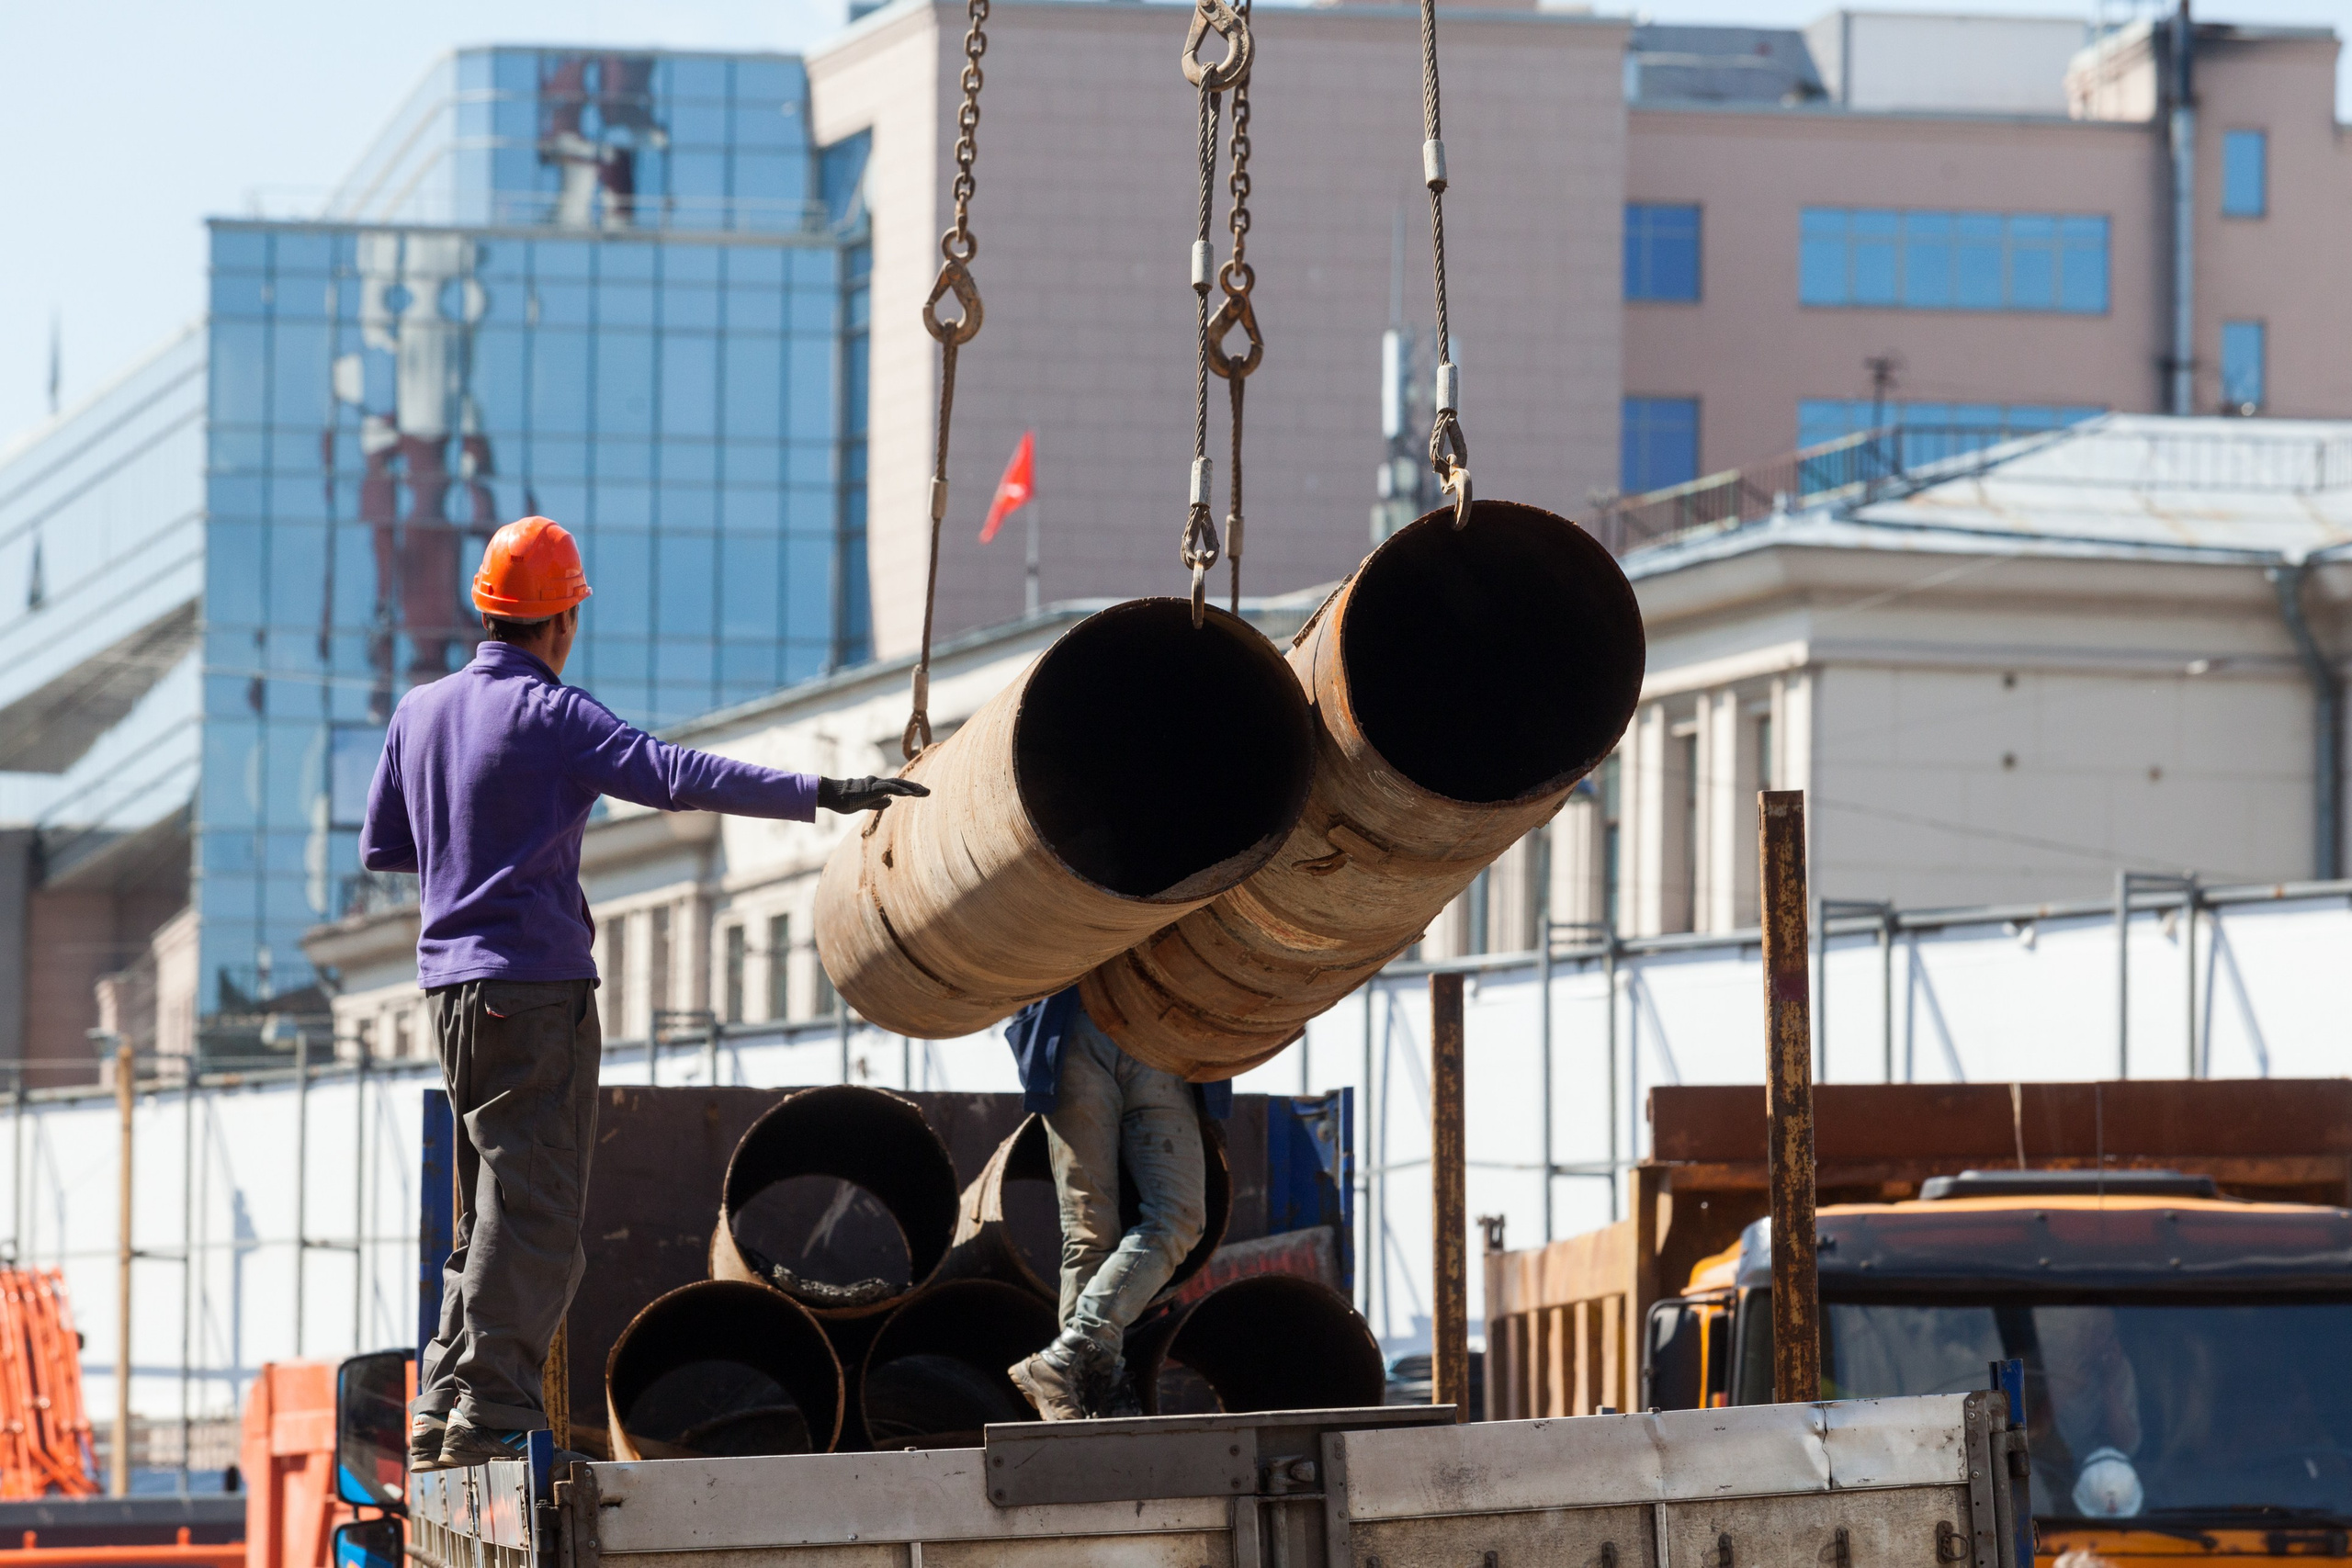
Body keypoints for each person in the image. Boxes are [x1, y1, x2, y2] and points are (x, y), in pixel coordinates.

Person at [360, 516, 924, 1472]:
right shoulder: (554, 716)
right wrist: (823, 792)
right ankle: (485, 1414)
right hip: (534, 991)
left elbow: (387, 845)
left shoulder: (421, 711)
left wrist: (477, 834)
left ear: (486, 611)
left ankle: (441, 1401)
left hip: (451, 996)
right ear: (563, 619)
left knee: (488, 1213)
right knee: (534, 1215)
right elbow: (675, 776)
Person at [1001, 987, 1227, 1419]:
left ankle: (1066, 1356)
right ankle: (1093, 1390)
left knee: (1178, 1218)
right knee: (1090, 1231)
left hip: (1165, 1030)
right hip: (1072, 1023)